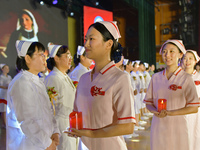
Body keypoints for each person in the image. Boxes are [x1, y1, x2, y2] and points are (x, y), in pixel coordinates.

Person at [65, 21, 135, 150]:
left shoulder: (120, 78)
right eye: (86, 39)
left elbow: (128, 126)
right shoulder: (84, 79)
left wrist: (91, 134)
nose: (86, 44)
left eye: (91, 39)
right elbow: (77, 115)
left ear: (108, 44)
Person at [144, 39, 199, 150]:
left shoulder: (187, 79)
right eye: (164, 52)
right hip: (158, 126)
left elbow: (194, 108)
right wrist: (155, 111)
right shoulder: (155, 78)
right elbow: (148, 103)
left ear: (180, 54)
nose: (167, 55)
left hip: (178, 127)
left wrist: (170, 113)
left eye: (171, 51)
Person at [6, 40, 60, 150]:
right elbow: (27, 121)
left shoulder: (38, 81)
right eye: (40, 54)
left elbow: (48, 112)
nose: (44, 58)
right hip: (28, 145)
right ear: (27, 58)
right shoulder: (21, 83)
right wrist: (47, 143)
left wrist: (55, 132)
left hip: (45, 143)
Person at [44, 44, 76, 150]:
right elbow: (50, 106)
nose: (70, 58)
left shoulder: (65, 76)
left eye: (70, 56)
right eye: (67, 55)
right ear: (57, 58)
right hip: (60, 124)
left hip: (70, 122)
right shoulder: (53, 78)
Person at [3, 9, 45, 77]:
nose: (24, 22)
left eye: (27, 19)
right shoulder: (15, 34)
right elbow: (10, 51)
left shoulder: (39, 35)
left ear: (32, 21)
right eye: (22, 20)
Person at [182, 50, 200, 150]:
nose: (187, 61)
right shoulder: (177, 78)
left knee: (195, 136)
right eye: (185, 58)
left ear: (195, 61)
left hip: (196, 115)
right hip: (180, 113)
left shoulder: (199, 77)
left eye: (190, 59)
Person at [0, 64, 12, 128]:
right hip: (3, 93)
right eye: (5, 68)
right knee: (3, 109)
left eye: (8, 68)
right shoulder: (1, 77)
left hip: (8, 93)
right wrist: (6, 87)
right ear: (2, 69)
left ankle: (7, 122)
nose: (7, 70)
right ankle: (4, 123)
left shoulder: (9, 77)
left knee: (7, 109)